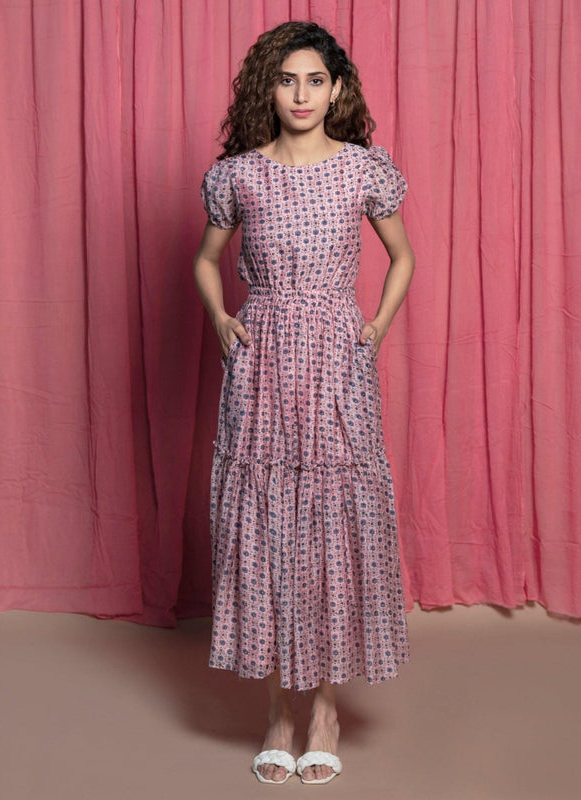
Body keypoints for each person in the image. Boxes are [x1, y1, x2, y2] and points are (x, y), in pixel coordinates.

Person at [193, 20, 414, 785]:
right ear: (269, 88)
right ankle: (275, 714)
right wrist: (224, 316)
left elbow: (403, 255)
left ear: (338, 90)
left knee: (326, 519)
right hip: (261, 361)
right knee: (265, 520)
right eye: (287, 79)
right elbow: (206, 259)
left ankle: (322, 708)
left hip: (335, 358)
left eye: (315, 80)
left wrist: (375, 326)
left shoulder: (364, 169)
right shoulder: (239, 175)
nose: (301, 93)